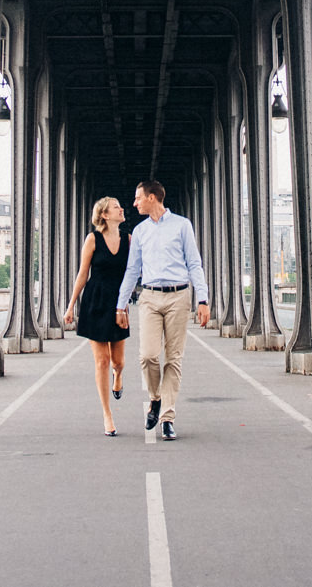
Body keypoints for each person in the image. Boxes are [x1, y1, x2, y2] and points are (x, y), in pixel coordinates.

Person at [114, 180, 208, 440]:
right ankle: (156, 398)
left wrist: (203, 299)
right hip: (150, 297)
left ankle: (167, 416)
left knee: (174, 359)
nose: (134, 203)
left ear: (152, 197)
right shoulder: (141, 231)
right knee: (148, 356)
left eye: (138, 198)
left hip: (179, 296)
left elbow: (194, 263)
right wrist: (121, 304)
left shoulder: (182, 225)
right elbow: (132, 270)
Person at [64, 196, 130, 436]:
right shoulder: (92, 239)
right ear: (104, 215)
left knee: (118, 362)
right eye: (116, 207)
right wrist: (71, 306)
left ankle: (118, 376)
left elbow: (134, 272)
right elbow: (83, 274)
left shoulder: (129, 240)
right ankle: (107, 414)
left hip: (118, 305)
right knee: (101, 360)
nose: (122, 209)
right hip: (95, 301)